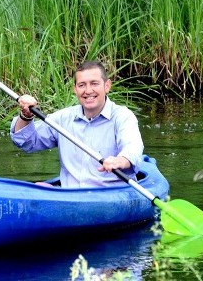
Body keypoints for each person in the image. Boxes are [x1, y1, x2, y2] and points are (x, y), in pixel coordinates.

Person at [11, 61, 144, 188]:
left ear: (107, 86)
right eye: (81, 85)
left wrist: (120, 161)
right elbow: (26, 142)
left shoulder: (123, 117)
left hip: (112, 194)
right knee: (40, 186)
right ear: (75, 89)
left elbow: (133, 147)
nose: (88, 90)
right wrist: (26, 116)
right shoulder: (62, 119)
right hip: (71, 197)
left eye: (94, 83)